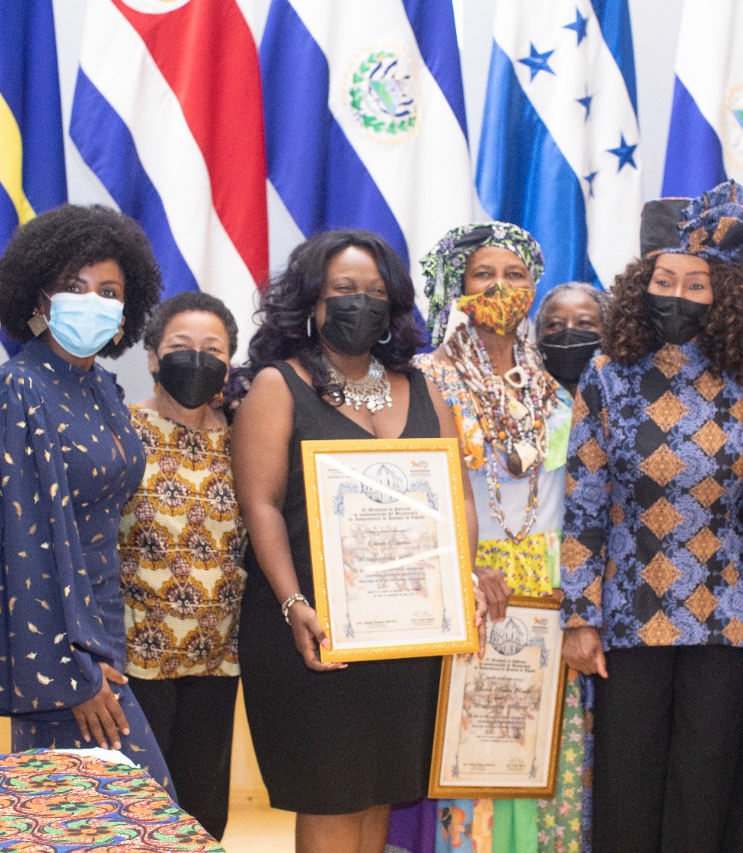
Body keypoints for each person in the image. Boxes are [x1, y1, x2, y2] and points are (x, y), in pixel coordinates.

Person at [562, 181, 743, 853]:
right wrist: (579, 614)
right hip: (627, 614)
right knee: (628, 780)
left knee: (708, 781)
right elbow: (582, 505)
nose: (678, 295)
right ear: (641, 284)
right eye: (665, 279)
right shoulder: (606, 375)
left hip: (726, 615)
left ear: (722, 296)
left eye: (696, 285)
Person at [233, 230, 480, 853]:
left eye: (374, 292)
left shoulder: (424, 388)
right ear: (313, 303)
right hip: (316, 627)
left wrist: (462, 582)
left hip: (407, 626)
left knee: (380, 793)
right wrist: (293, 605)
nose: (359, 303)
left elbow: (459, 498)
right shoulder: (276, 385)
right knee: (332, 794)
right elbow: (259, 506)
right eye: (344, 290)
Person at [0, 204, 172, 790]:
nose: (92, 300)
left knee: (78, 822)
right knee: (145, 804)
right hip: (59, 646)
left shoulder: (105, 389)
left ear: (126, 311)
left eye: (108, 290)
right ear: (40, 299)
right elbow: (24, 541)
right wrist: (75, 669)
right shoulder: (22, 386)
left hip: (101, 629)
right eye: (75, 286)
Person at [389, 222, 587, 853]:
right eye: (483, 275)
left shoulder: (552, 382)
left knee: (547, 750)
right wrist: (464, 570)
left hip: (551, 588)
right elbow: (409, 493)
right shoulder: (425, 378)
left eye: (515, 275)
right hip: (468, 583)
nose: (501, 288)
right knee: (465, 749)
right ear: (455, 287)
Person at [118, 291, 245, 839]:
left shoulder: (246, 437)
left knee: (200, 816)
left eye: (212, 348)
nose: (197, 358)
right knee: (132, 815)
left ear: (228, 364)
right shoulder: (118, 428)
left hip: (217, 657)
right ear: (151, 356)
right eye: (180, 346)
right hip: (131, 659)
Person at [535, 281, 608, 395]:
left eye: (584, 323)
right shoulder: (525, 393)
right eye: (556, 324)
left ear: (606, 330)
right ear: (539, 335)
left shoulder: (628, 395)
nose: (569, 332)